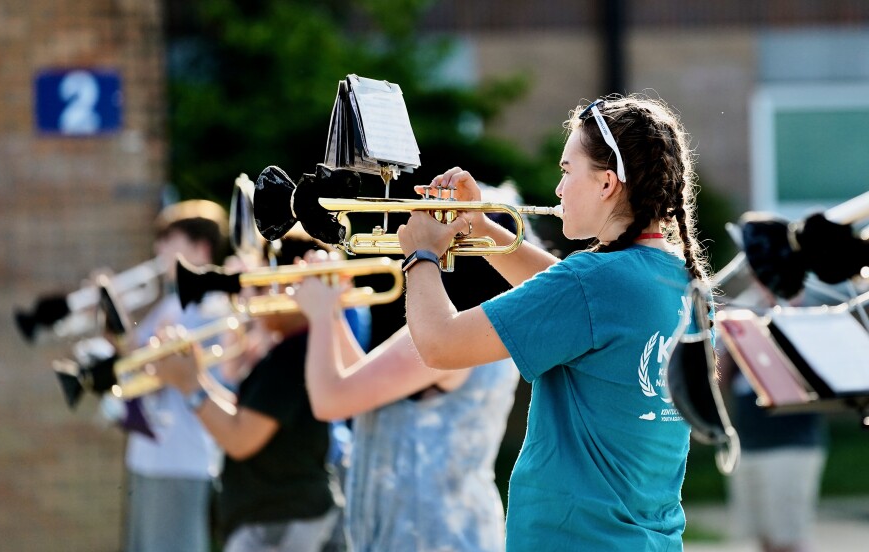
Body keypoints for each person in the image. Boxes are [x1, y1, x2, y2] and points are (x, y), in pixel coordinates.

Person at [396, 94, 713, 550]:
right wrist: (484, 227)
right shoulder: (680, 280)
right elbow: (571, 301)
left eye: (567, 171)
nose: (559, 189)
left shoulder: (593, 281)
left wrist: (420, 255)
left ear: (607, 183)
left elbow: (439, 345)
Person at [291, 191, 529, 551]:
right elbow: (365, 384)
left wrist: (320, 315)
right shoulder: (483, 328)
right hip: (445, 531)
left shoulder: (447, 334)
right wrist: (335, 311)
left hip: (424, 535)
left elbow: (330, 400)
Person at [151, 228, 342, 552]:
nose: (255, 294)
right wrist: (196, 378)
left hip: (279, 525)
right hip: (278, 522)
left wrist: (191, 386)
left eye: (264, 283)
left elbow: (240, 438)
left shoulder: (292, 355)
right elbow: (247, 417)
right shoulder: (290, 350)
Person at [121, 199, 231, 552]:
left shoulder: (215, 306)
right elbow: (134, 360)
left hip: (182, 459)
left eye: (170, 241)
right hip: (147, 455)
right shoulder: (171, 305)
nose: (160, 250)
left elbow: (165, 368)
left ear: (200, 248)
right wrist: (113, 318)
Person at [718, 282, 828, 552]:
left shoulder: (804, 314)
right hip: (749, 443)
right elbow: (720, 380)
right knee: (764, 539)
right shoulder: (745, 309)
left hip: (791, 444)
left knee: (790, 540)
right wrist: (726, 334)